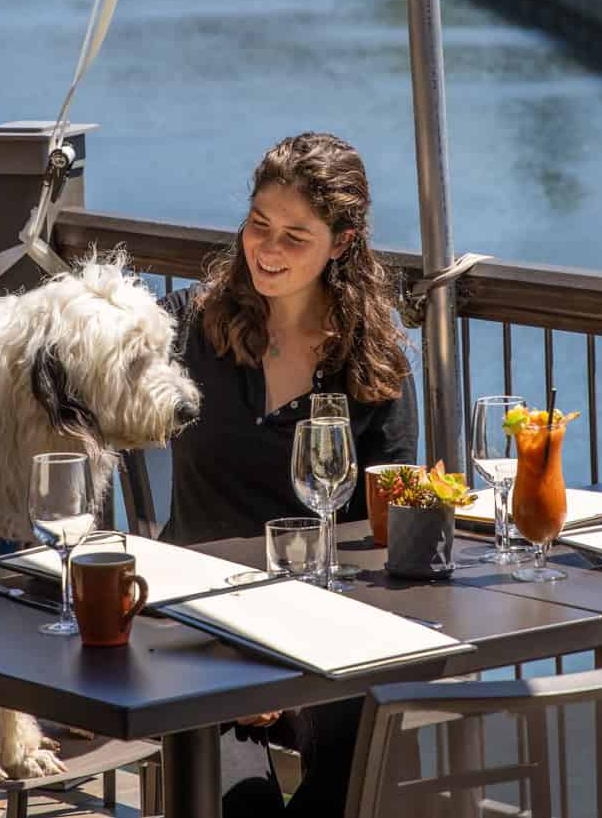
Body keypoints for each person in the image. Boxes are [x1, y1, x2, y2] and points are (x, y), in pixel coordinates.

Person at [159, 132, 418, 817]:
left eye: (295, 236)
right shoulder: (187, 328)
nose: (267, 249)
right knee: (235, 804)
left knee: (368, 768)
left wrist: (292, 654)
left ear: (341, 242)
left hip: (322, 629)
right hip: (198, 629)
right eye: (259, 224)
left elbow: (386, 526)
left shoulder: (372, 361)